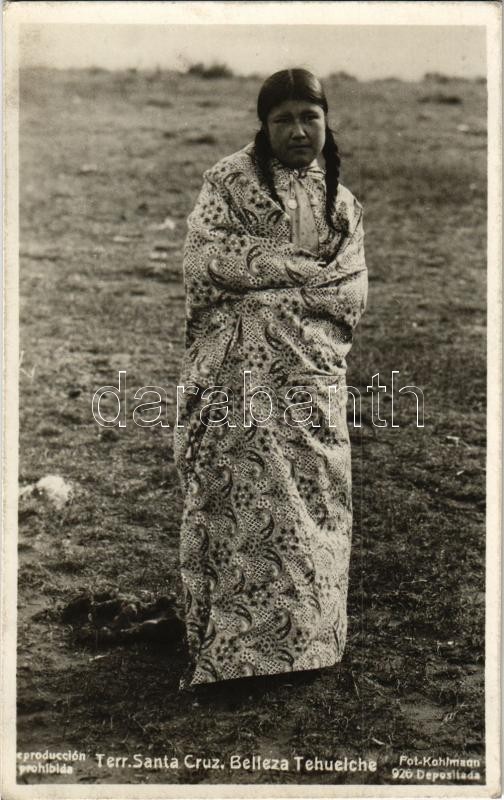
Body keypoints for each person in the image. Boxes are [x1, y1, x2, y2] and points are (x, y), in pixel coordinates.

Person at [174, 68, 367, 690]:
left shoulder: (341, 202)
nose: (297, 130)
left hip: (309, 377)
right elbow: (206, 261)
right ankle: (234, 648)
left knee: (313, 495)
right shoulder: (228, 182)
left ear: (326, 120)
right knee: (241, 494)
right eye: (282, 119)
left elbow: (348, 289)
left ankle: (308, 640)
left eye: (309, 117)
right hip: (238, 373)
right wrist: (284, 278)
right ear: (263, 126)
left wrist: (273, 294)